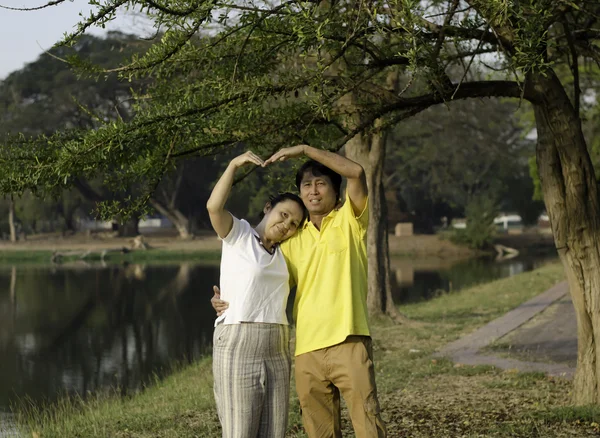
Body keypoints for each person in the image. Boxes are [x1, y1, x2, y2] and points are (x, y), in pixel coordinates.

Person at [213, 145, 387, 438]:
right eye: (307, 185)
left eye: (321, 183)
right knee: (318, 431)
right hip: (306, 351)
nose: (314, 191)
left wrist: (304, 149)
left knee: (368, 425)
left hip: (349, 339)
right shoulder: (292, 240)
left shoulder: (350, 220)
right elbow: (261, 278)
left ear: (336, 191)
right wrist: (223, 298)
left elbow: (356, 172)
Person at [206, 150, 308, 438]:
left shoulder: (285, 253)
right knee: (240, 431)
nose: (286, 225)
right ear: (267, 208)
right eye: (283, 215)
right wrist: (233, 164)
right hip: (239, 338)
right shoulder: (240, 234)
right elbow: (214, 207)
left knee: (274, 430)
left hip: (277, 342)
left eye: (293, 224)